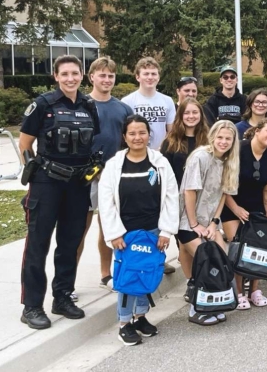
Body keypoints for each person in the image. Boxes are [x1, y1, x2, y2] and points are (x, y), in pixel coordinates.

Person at [18, 55, 101, 329]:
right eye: (64, 74)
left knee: (69, 244)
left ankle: (62, 297)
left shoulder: (88, 105)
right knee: (37, 244)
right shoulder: (43, 104)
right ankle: (31, 306)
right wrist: (33, 177)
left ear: (82, 76)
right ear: (56, 76)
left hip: (78, 185)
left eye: (75, 73)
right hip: (46, 184)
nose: (70, 78)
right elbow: (25, 145)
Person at [98, 115, 179, 345]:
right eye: (132, 133)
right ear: (124, 137)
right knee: (127, 277)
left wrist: (165, 231)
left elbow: (172, 197)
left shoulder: (160, 162)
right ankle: (124, 323)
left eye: (142, 132)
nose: (137, 137)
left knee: (146, 273)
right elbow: (106, 203)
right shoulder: (114, 166)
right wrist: (113, 233)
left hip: (153, 232)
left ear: (149, 134)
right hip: (125, 235)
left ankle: (140, 317)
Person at [76, 57, 134, 294]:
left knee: (109, 228)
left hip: (113, 176)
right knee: (79, 228)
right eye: (102, 75)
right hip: (85, 177)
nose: (107, 80)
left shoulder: (123, 108)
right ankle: (68, 282)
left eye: (111, 76)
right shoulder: (80, 105)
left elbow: (130, 142)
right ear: (92, 78)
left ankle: (105, 274)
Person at [177, 120, 239, 326]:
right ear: (212, 136)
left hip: (209, 221)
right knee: (207, 262)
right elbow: (189, 191)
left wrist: (213, 223)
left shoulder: (229, 162)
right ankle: (197, 309)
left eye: (227, 139)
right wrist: (195, 224)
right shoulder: (201, 157)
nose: (223, 142)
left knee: (222, 260)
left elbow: (222, 195)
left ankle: (213, 304)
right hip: (187, 222)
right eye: (220, 137)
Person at [222, 118, 267, 308]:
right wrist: (236, 209)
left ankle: (254, 289)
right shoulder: (237, 150)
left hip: (256, 209)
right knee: (239, 247)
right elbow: (223, 185)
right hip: (232, 207)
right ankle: (239, 292)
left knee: (259, 247)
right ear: (257, 131)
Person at [160, 98, 209, 280]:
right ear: (180, 116)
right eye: (186, 113)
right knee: (184, 243)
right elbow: (165, 174)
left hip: (203, 200)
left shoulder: (208, 139)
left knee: (196, 242)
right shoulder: (170, 142)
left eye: (195, 112)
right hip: (178, 200)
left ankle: (200, 279)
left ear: (201, 115)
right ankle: (191, 281)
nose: (191, 116)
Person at [121, 57, 176, 150]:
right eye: (146, 74)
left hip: (160, 154)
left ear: (158, 77)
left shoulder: (168, 101)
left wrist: (163, 148)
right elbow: (124, 133)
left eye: (154, 74)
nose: (150, 77)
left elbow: (172, 132)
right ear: (137, 77)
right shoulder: (127, 101)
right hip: (136, 153)